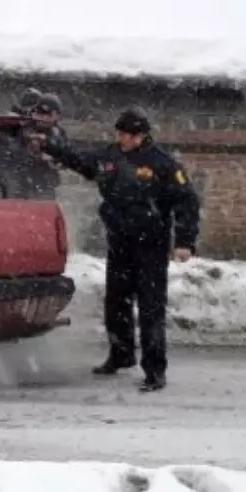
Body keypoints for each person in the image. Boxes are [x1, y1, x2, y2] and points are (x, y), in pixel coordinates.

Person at [37, 106, 200, 392]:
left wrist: (185, 241)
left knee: (150, 308)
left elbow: (186, 201)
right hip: (120, 241)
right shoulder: (109, 157)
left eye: (130, 135)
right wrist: (51, 146)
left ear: (142, 135)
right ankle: (121, 354)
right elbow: (81, 160)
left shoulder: (162, 163)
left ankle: (154, 369)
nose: (124, 139)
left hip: (151, 245)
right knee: (117, 303)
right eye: (121, 133)